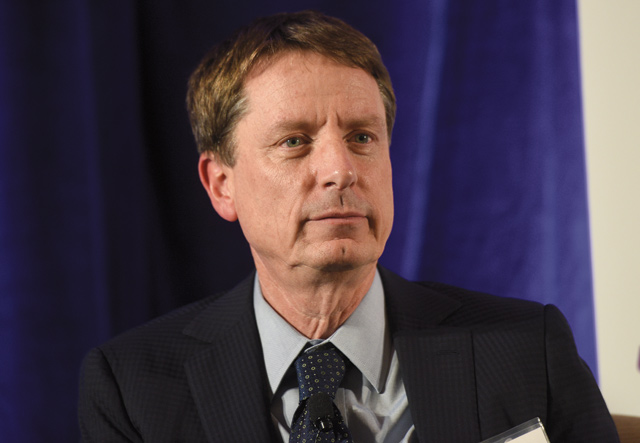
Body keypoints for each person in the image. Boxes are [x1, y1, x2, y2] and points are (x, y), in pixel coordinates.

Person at [78, 10, 619, 443]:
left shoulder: (527, 349)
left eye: (362, 137)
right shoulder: (132, 388)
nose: (341, 170)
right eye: (294, 141)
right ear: (221, 184)